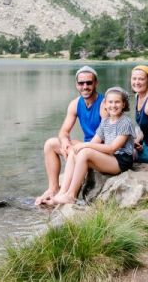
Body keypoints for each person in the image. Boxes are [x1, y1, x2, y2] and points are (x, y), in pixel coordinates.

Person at [34, 66, 106, 206]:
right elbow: (64, 131)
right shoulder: (75, 104)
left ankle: (66, 195)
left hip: (98, 150)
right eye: (81, 83)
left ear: (96, 83)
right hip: (84, 146)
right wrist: (66, 142)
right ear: (76, 85)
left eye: (89, 83)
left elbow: (104, 135)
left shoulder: (104, 104)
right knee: (50, 144)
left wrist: (76, 146)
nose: (85, 86)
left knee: (74, 148)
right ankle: (53, 188)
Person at [50, 87, 135, 204]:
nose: (113, 105)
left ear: (123, 104)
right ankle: (62, 192)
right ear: (105, 104)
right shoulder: (105, 122)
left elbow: (112, 148)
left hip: (121, 161)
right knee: (75, 152)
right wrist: (80, 147)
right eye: (110, 102)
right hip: (110, 158)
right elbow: (94, 141)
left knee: (85, 151)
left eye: (117, 102)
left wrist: (84, 145)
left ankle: (71, 195)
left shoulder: (125, 122)